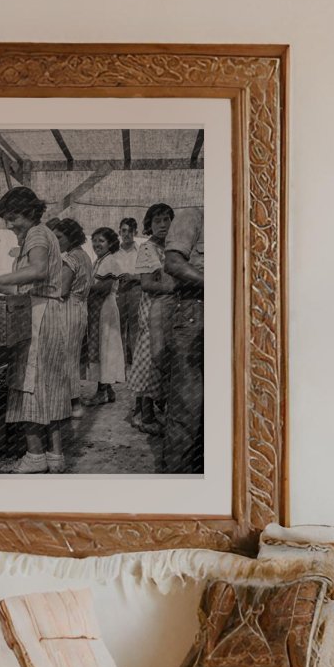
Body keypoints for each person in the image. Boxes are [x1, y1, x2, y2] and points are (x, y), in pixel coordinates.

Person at [0, 187, 68, 474]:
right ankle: (54, 455)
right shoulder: (42, 234)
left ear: (30, 212)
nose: (10, 225)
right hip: (46, 311)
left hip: (39, 314)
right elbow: (31, 280)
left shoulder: (37, 233)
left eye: (14, 218)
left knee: (30, 382)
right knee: (49, 385)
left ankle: (35, 456)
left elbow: (38, 271)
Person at [161, 206, 205, 474]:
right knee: (187, 404)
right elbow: (173, 264)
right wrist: (221, 284)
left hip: (240, 313)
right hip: (196, 309)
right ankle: (176, 486)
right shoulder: (194, 216)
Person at [129, 203, 175, 435]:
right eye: (157, 221)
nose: (163, 225)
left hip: (167, 310)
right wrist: (174, 286)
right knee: (151, 360)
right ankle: (146, 417)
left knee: (160, 359)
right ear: (149, 225)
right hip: (152, 310)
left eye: (167, 220)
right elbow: (146, 284)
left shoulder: (171, 248)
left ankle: (143, 412)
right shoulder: (148, 249)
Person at [47, 217, 92, 420]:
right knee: (71, 356)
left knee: (66, 358)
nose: (56, 241)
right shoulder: (84, 256)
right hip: (80, 308)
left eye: (59, 237)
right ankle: (72, 402)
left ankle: (73, 404)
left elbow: (62, 290)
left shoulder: (70, 259)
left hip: (68, 309)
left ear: (70, 236)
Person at [84, 227, 126, 405]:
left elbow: (105, 287)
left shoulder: (109, 261)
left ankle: (101, 392)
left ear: (110, 243)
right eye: (94, 240)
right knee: (103, 348)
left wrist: (82, 288)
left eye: (101, 241)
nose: (96, 244)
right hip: (99, 308)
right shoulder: (100, 261)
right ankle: (108, 390)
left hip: (105, 309)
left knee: (105, 348)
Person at [113, 217, 142, 365]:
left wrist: (133, 277)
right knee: (118, 329)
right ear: (119, 231)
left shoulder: (142, 251)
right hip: (118, 291)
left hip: (136, 291)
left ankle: (137, 367)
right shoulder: (114, 252)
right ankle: (120, 366)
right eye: (124, 230)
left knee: (136, 329)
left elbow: (149, 275)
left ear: (136, 232)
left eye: (131, 231)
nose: (127, 234)